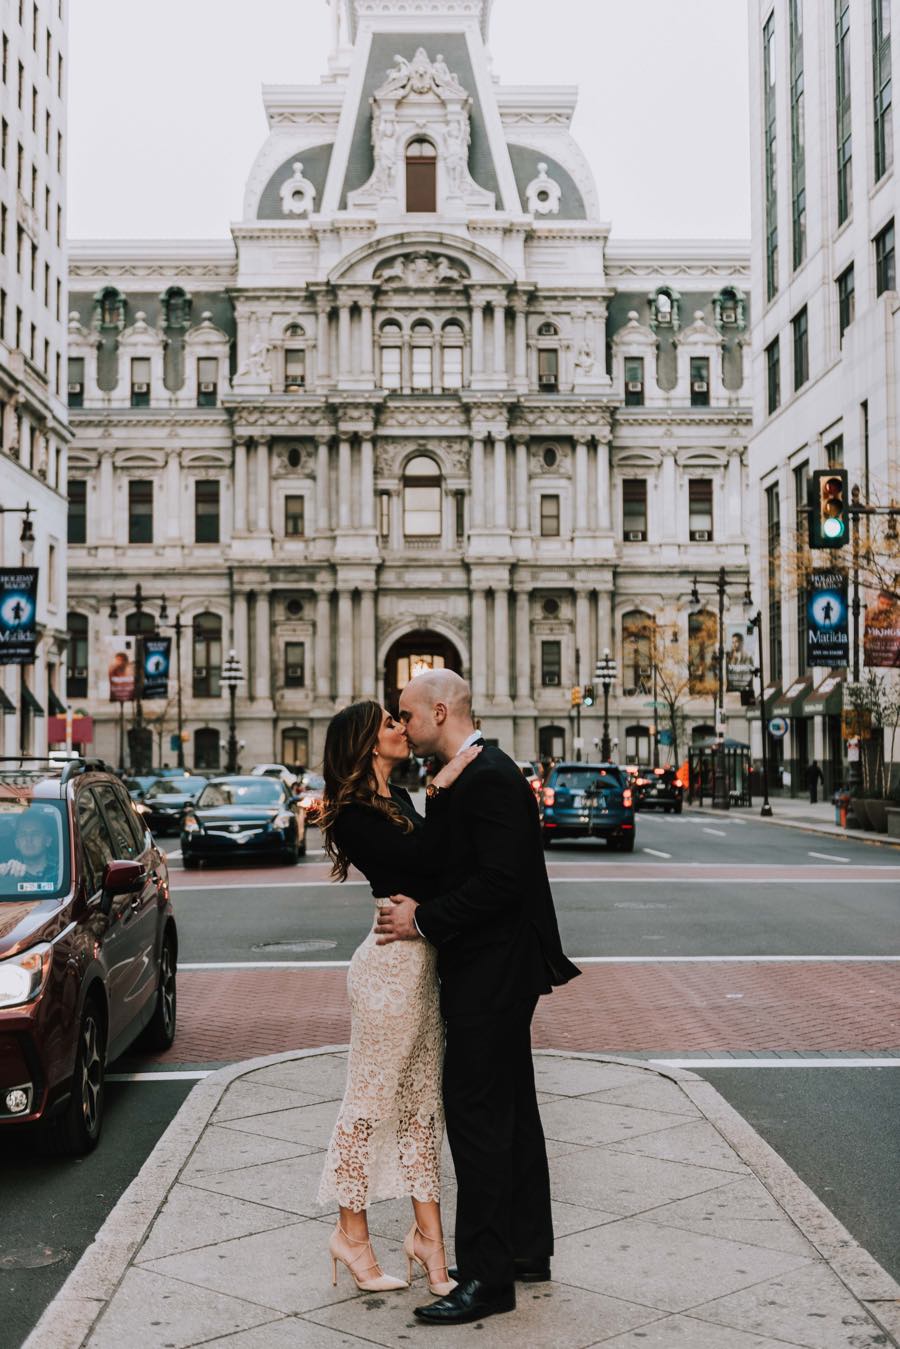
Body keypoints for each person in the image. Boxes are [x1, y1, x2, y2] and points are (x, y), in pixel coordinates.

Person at [376, 669, 581, 1326]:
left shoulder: (490, 776)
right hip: (497, 968)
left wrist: (424, 918)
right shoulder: (470, 774)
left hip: (492, 970)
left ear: (440, 710)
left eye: (406, 714)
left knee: (477, 1117)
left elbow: (501, 882)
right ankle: (524, 1249)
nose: (401, 726)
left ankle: (488, 1275)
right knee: (512, 1110)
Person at [316, 700, 479, 1295]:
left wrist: (433, 798)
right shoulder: (353, 814)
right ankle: (351, 1237)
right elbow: (427, 866)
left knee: (419, 1109)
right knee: (368, 1105)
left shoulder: (400, 802)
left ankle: (430, 1246)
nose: (402, 728)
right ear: (365, 742)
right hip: (388, 972)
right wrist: (443, 789)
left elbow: (437, 867)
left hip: (421, 965)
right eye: (390, 723)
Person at [0, 810, 59, 886]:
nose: (28, 839)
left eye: (35, 833)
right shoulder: (7, 871)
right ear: (16, 843)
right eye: (23, 834)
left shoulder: (61, 869)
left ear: (48, 841)